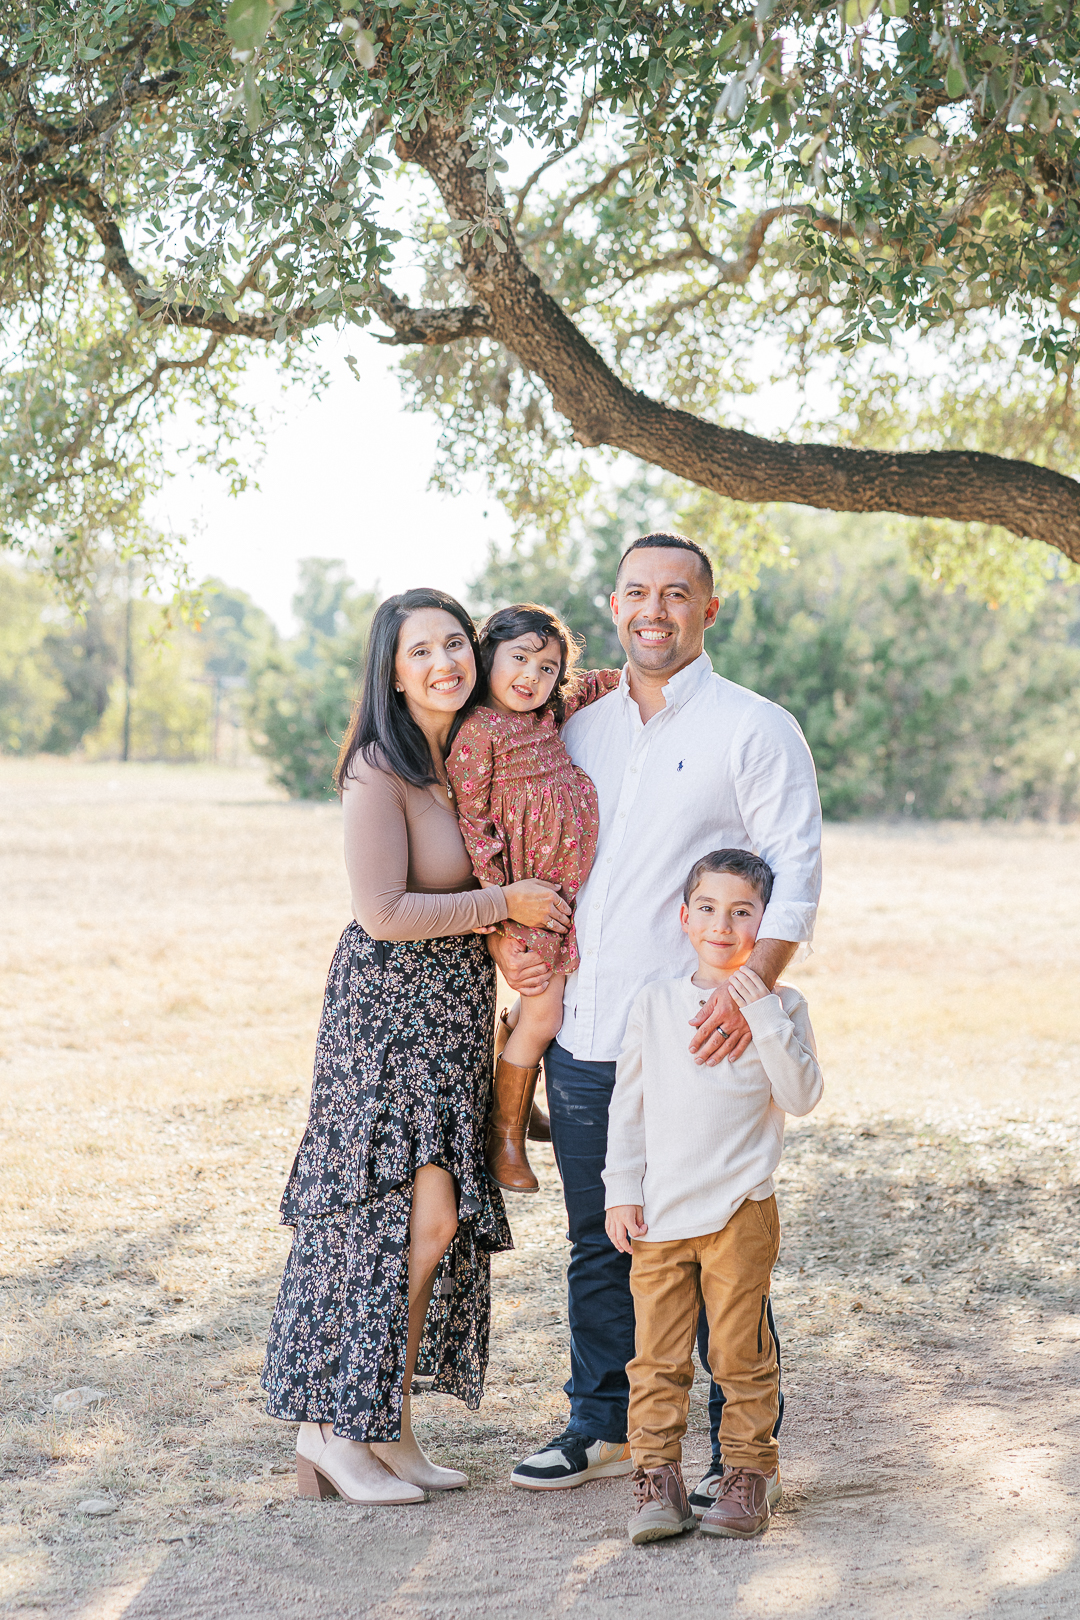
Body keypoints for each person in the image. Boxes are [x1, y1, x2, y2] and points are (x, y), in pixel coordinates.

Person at [498, 533, 822, 1500]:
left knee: (719, 1237)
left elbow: (795, 870)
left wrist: (745, 990)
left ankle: (738, 1451)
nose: (655, 610)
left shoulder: (754, 728)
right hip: (589, 1028)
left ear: (708, 610)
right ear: (612, 603)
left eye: (676, 594)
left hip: (698, 1039)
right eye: (637, 592)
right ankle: (600, 1420)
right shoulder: (577, 726)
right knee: (604, 1232)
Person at [261, 588, 571, 1507]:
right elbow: (383, 913)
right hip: (388, 1016)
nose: (444, 664)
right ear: (391, 672)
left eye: (453, 645)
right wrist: (506, 901)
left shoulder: (466, 761)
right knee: (388, 1224)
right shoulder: (378, 771)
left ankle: (387, 1424)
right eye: (420, 652)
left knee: (434, 1227)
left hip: (453, 1011)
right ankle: (330, 1428)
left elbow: (568, 685)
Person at [604, 849, 823, 1544]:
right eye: (707, 908)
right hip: (662, 1214)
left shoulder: (783, 1006)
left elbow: (801, 1095)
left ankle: (748, 1475)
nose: (722, 925)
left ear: (765, 924)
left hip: (740, 1210)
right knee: (657, 1359)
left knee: (738, 1354)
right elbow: (629, 1108)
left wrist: (761, 1012)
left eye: (742, 912)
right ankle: (656, 1480)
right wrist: (620, 1192)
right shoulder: (656, 1004)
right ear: (683, 917)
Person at [447, 603, 620, 1193]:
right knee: (546, 1013)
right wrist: (500, 914)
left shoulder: (549, 714)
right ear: (487, 655)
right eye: (519, 658)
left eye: (548, 667)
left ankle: (515, 1074)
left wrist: (648, 673)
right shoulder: (479, 732)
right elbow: (473, 827)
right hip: (525, 899)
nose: (532, 676)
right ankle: (505, 1140)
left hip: (563, 895)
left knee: (542, 1008)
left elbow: (597, 682)